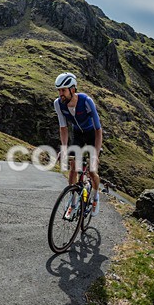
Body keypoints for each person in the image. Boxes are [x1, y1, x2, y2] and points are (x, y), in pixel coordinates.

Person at [53, 72, 103, 217]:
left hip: (92, 134)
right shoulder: (58, 104)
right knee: (73, 168)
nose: (60, 94)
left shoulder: (86, 101)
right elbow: (63, 127)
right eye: (59, 90)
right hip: (78, 135)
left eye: (63, 90)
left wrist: (96, 155)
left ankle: (95, 197)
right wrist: (63, 149)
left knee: (92, 171)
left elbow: (98, 129)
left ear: (72, 89)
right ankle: (73, 204)